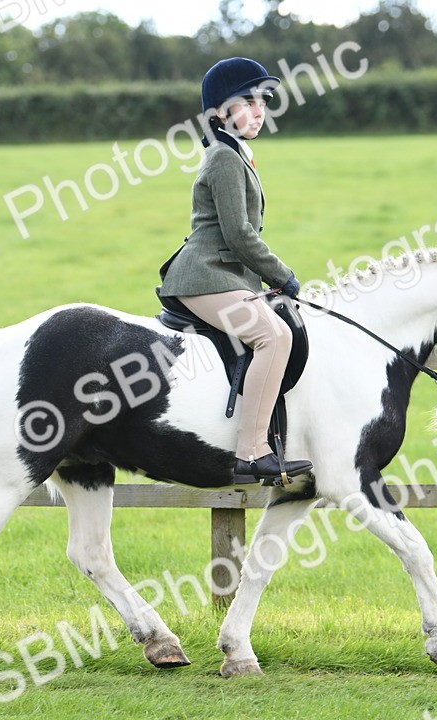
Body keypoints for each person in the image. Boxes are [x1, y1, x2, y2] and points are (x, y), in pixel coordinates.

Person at [159, 57, 313, 485]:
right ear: (218, 113)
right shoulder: (225, 159)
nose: (259, 110)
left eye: (262, 101)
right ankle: (251, 452)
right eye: (246, 101)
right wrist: (282, 275)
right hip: (205, 275)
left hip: (224, 274)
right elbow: (240, 235)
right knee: (273, 335)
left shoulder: (236, 154)